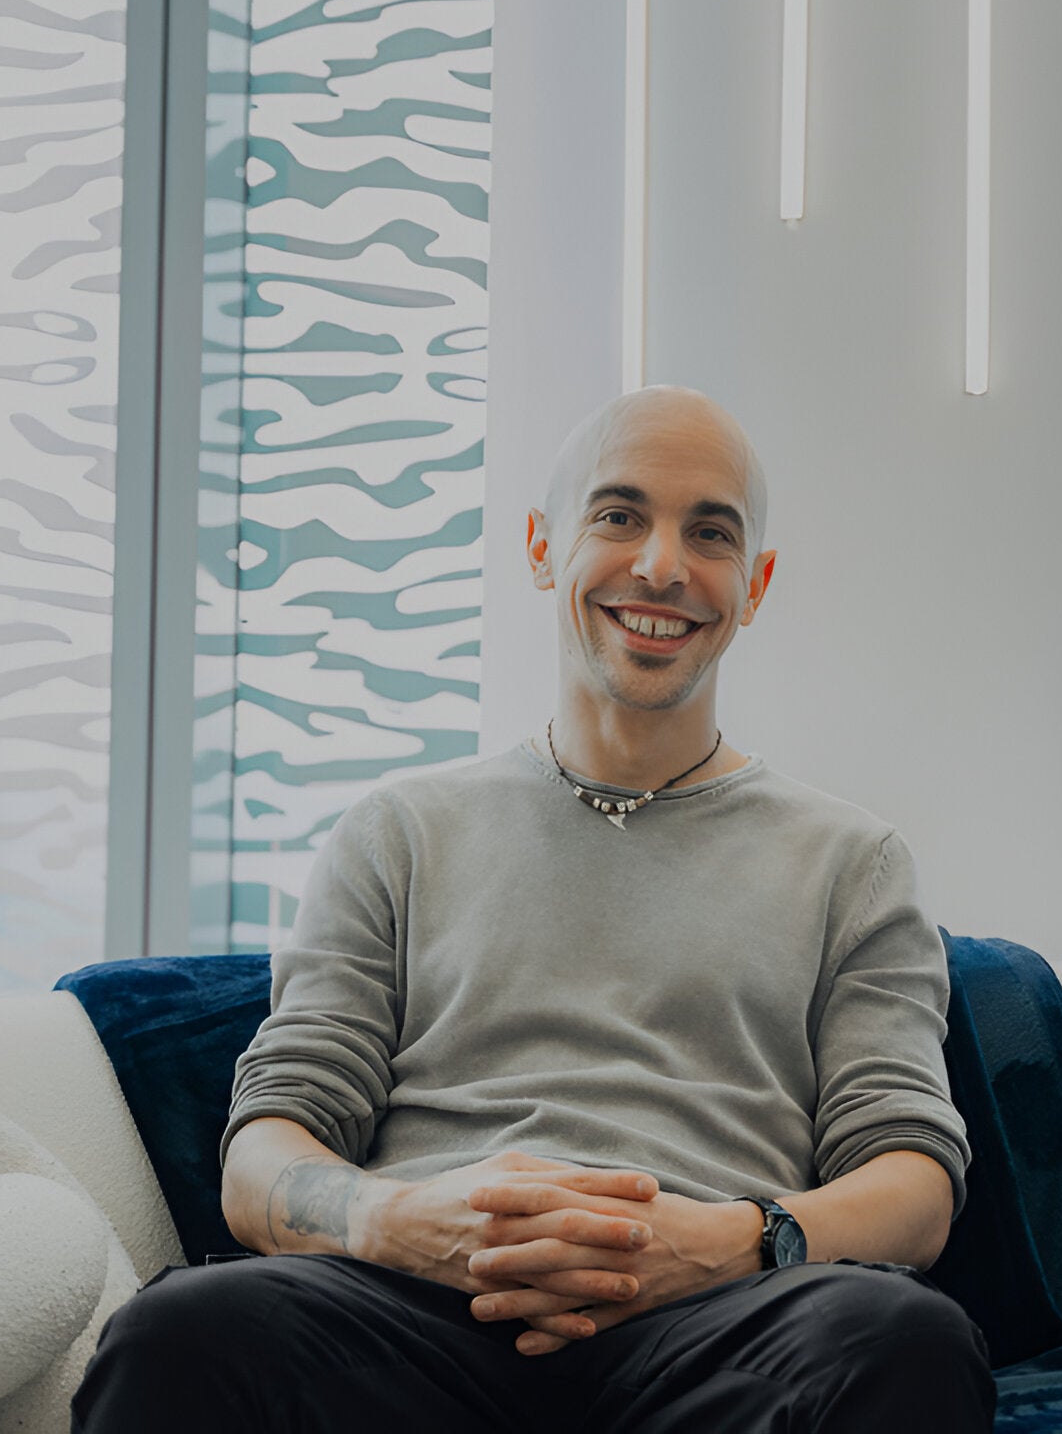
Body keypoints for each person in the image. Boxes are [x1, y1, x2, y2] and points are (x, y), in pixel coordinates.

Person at [73, 387, 991, 1433]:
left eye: (710, 532)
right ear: (539, 547)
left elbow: (911, 1183)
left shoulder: (852, 862)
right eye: (618, 515)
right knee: (178, 1332)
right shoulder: (397, 831)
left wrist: (726, 1240)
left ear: (756, 583)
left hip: (715, 1319)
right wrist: (393, 1218)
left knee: (901, 1338)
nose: (659, 566)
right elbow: (264, 1153)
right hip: (412, 1312)